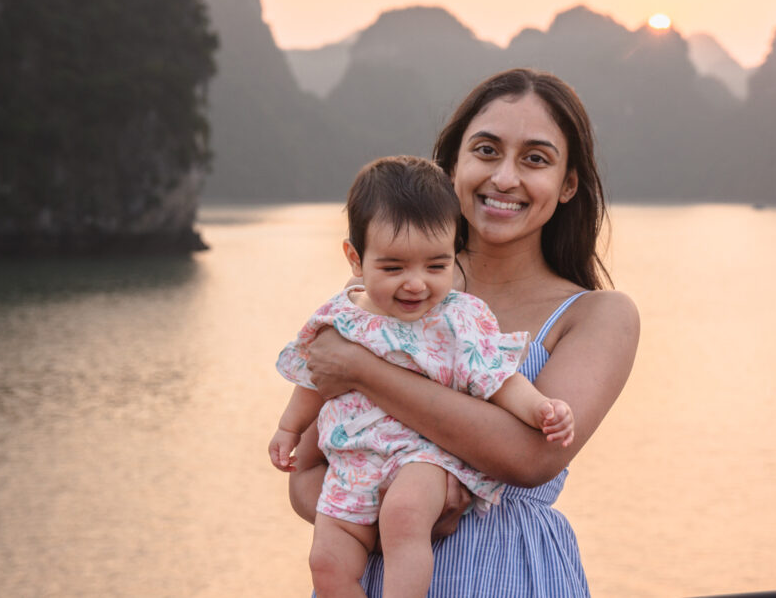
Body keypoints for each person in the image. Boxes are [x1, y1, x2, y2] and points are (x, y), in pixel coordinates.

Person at [289, 68, 640, 597]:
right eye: (486, 150)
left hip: (510, 575)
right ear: (453, 165)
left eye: (536, 159)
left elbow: (530, 458)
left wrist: (363, 369)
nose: (504, 178)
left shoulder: (595, 315)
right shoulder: (385, 298)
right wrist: (391, 511)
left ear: (569, 184)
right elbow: (306, 472)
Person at [269, 155, 577, 598]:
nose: (416, 284)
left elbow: (498, 379)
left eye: (436, 267)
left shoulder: (457, 320)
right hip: (353, 461)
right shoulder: (339, 317)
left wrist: (542, 410)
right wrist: (288, 428)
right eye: (393, 268)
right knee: (326, 561)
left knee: (404, 516)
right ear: (356, 259)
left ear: (453, 252)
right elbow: (313, 379)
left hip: (422, 459)